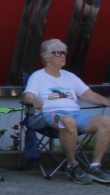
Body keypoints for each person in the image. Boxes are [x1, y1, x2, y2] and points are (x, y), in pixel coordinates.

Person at [23, 38, 110, 185]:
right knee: (67, 121)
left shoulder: (70, 76)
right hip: (48, 115)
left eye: (64, 53)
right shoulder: (38, 76)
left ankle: (95, 166)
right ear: (46, 57)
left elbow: (90, 95)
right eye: (58, 53)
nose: (63, 56)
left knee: (106, 121)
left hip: (75, 114)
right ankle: (72, 166)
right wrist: (34, 100)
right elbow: (28, 96)